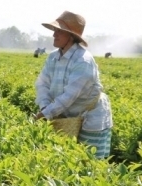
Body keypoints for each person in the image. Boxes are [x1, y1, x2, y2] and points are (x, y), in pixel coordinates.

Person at [34, 10, 113, 159]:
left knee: (90, 162)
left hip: (91, 117)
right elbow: (42, 83)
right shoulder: (52, 57)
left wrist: (45, 114)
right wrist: (44, 106)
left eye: (59, 31)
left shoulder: (83, 61)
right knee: (69, 160)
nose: (54, 35)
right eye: (54, 30)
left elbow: (69, 96)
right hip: (67, 115)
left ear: (71, 36)